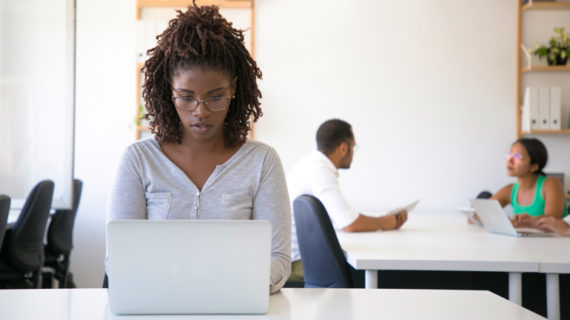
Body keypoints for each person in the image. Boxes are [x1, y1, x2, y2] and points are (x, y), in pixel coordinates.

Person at [106, 2, 290, 294]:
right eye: (186, 97)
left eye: (215, 97)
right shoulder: (138, 160)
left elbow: (279, 260)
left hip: (235, 307)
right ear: (169, 91)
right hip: (158, 308)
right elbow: (117, 260)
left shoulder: (262, 162)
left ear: (234, 89)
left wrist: (218, 286)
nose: (200, 112)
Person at [286, 119, 408, 283]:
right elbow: (349, 223)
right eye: (353, 146)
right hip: (300, 263)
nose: (353, 152)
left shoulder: (310, 164)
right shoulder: (320, 170)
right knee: (379, 276)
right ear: (343, 148)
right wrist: (386, 223)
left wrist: (382, 221)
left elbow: (341, 219)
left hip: (299, 256)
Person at [483, 138, 568, 228]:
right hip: (525, 242)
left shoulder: (551, 184)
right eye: (509, 154)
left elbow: (553, 219)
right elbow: (483, 211)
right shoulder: (510, 190)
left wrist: (523, 222)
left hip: (555, 241)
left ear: (534, 166)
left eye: (517, 157)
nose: (510, 160)